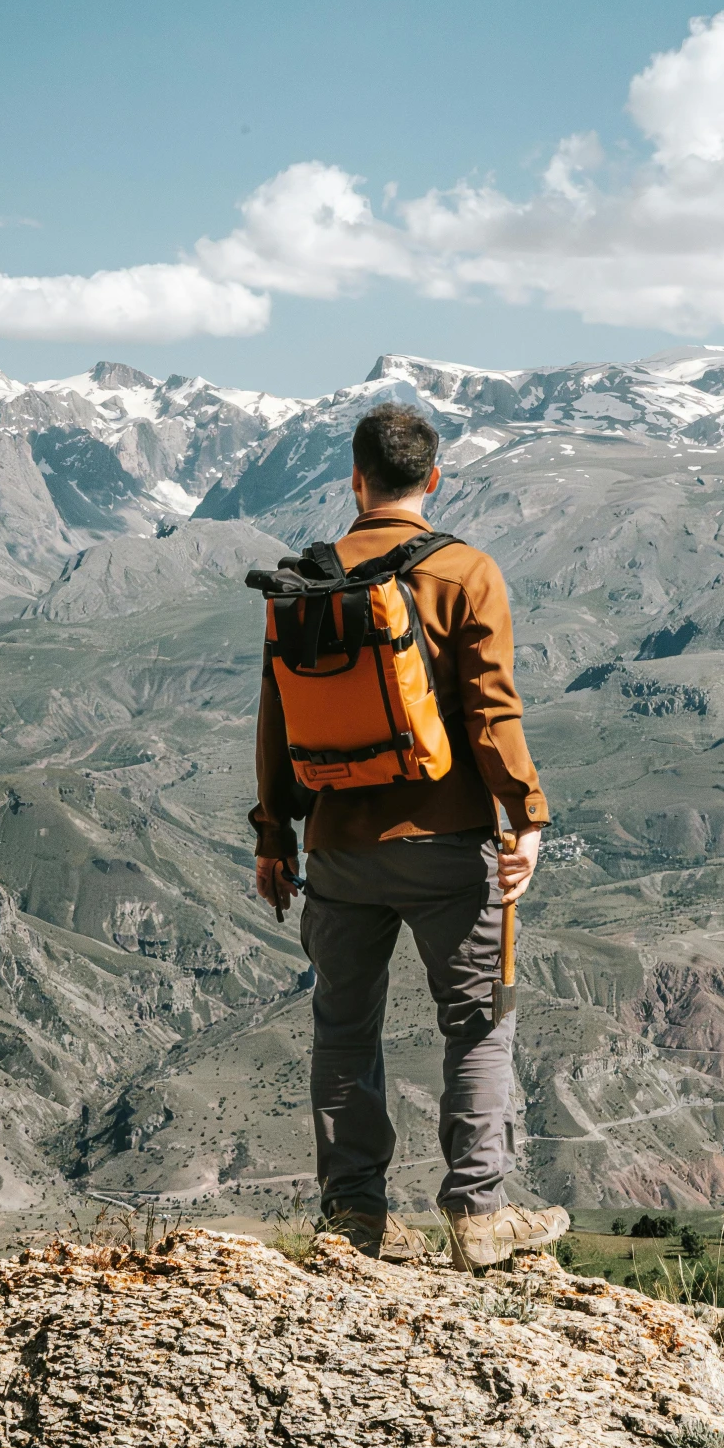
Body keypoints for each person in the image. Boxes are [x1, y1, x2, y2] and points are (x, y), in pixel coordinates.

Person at [251, 402, 570, 1270]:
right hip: (446, 845)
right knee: (476, 1025)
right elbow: (491, 712)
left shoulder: (302, 579)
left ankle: (352, 1219)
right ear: (433, 479)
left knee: (343, 1030)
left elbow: (277, 717)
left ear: (354, 479)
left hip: (338, 851)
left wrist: (273, 836)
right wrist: (526, 818)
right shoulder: (466, 573)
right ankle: (476, 1217)